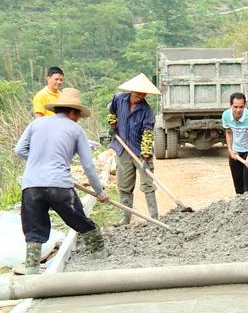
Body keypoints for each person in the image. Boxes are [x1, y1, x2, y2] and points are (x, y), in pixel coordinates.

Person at [14, 88, 109, 274]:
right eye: (78, 115)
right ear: (73, 112)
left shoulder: (37, 124)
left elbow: (19, 150)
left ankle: (32, 269)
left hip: (31, 185)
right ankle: (100, 257)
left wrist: (38, 161)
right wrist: (99, 192)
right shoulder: (75, 129)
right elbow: (88, 165)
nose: (78, 119)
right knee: (80, 221)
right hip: (59, 185)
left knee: (34, 229)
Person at [108, 73, 160, 223]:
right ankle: (124, 220)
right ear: (131, 90)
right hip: (122, 149)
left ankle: (154, 218)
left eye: (144, 93)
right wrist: (113, 125)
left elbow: (147, 134)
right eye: (138, 92)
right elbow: (111, 111)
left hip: (140, 151)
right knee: (124, 187)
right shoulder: (119, 99)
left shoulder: (146, 110)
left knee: (148, 185)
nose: (141, 95)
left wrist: (145, 156)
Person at [222, 92, 248, 195]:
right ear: (230, 105)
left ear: (245, 106)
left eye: (241, 107)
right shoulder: (225, 115)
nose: (238, 110)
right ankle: (239, 204)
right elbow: (228, 132)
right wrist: (230, 150)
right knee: (237, 181)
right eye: (235, 107)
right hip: (236, 150)